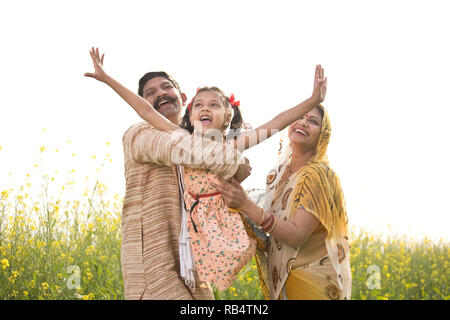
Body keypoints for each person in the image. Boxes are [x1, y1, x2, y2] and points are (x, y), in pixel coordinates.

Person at [85, 47, 327, 292]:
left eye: (214, 105)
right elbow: (145, 111)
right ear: (191, 114)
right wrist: (107, 78)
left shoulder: (231, 143)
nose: (205, 109)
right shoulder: (171, 136)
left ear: (226, 115)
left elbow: (274, 124)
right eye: (199, 105)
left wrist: (312, 100)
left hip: (218, 228)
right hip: (187, 235)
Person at [85, 50, 249, 300]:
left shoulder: (198, 142)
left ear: (183, 98)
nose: (160, 93)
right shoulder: (140, 133)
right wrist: (236, 163)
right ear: (142, 106)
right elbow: (183, 149)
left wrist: (236, 168)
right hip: (154, 268)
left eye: (165, 87)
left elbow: (216, 167)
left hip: (193, 267)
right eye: (150, 93)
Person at [213, 104, 352, 300]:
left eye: (313, 121)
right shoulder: (279, 175)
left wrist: (245, 204)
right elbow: (272, 231)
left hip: (312, 286)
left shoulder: (317, 174)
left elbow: (296, 236)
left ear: (323, 135)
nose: (303, 122)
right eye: (301, 117)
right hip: (286, 281)